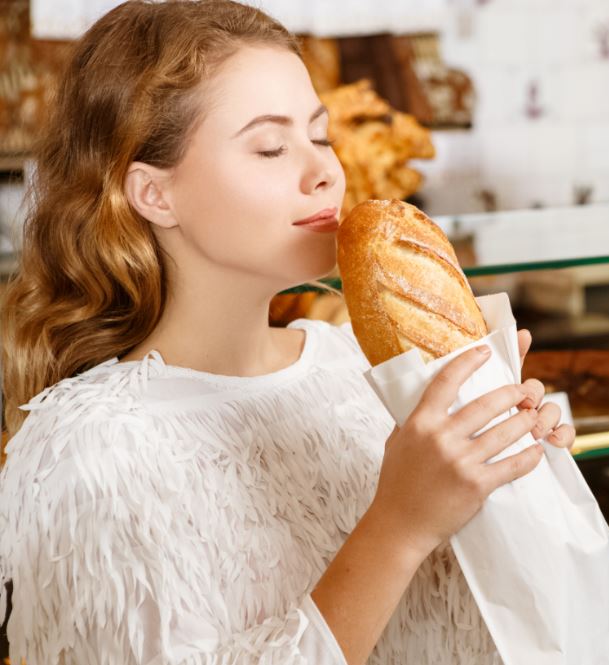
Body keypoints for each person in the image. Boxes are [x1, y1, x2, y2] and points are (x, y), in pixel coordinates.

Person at [0, 2, 575, 663]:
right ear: (155, 194)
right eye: (271, 147)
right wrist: (399, 526)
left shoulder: (361, 371)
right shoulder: (90, 452)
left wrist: (514, 479)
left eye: (320, 136)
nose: (325, 171)